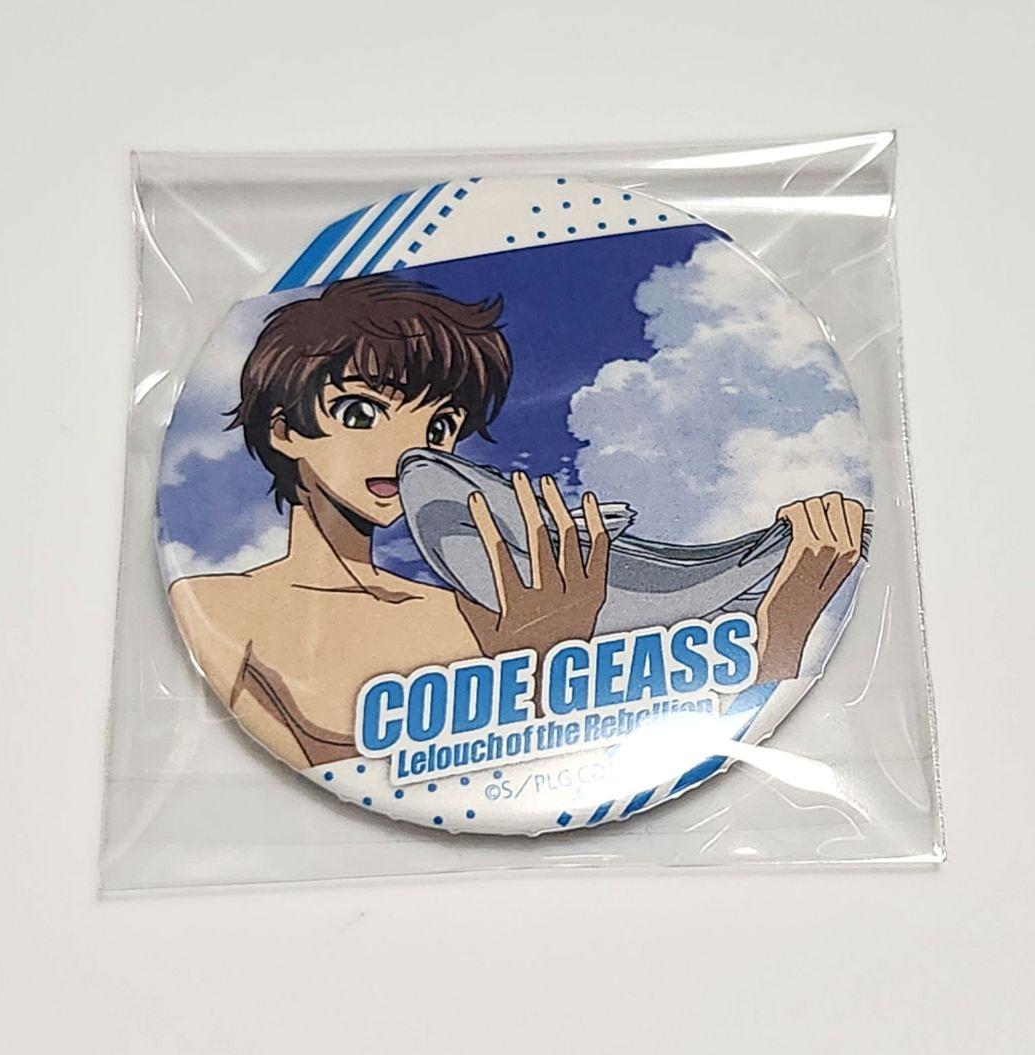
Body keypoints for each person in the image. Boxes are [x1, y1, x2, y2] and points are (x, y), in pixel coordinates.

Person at [169, 277, 863, 770]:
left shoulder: (484, 610)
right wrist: (542, 651)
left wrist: (786, 618)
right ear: (284, 430)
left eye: (438, 427)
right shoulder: (220, 610)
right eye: (361, 412)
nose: (406, 452)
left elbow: (608, 764)